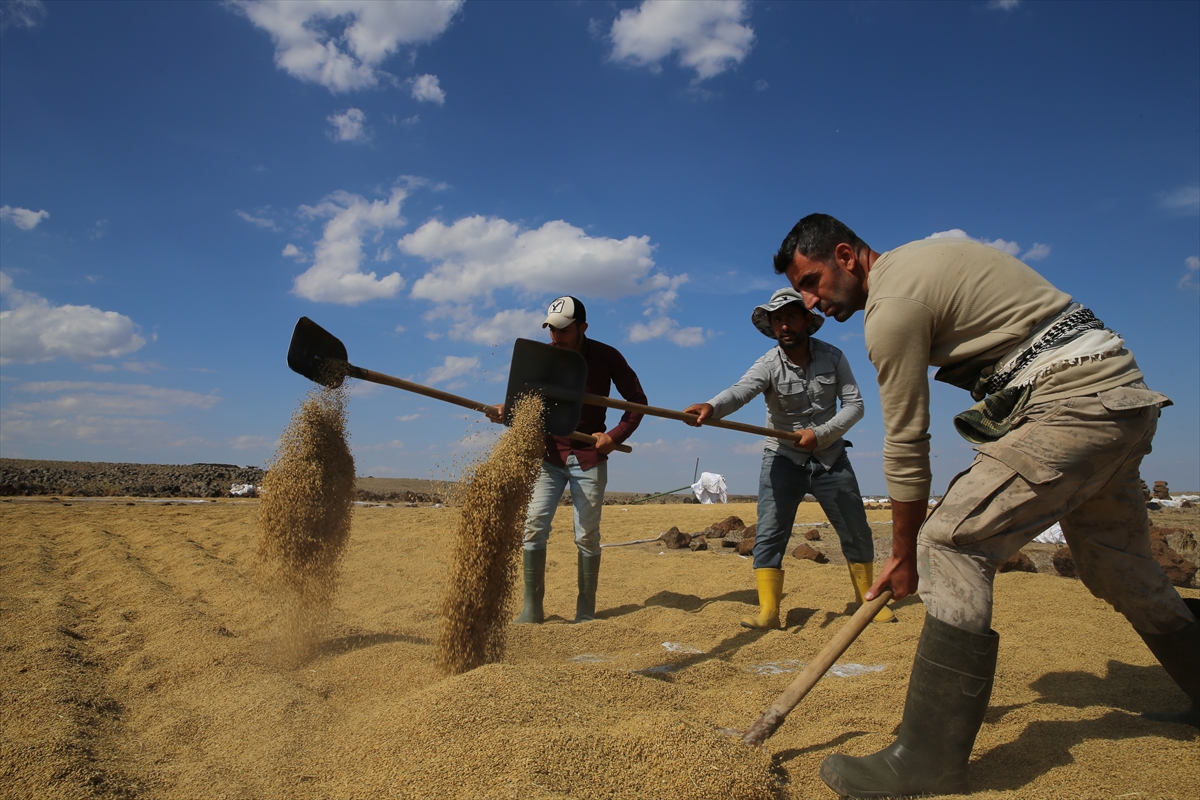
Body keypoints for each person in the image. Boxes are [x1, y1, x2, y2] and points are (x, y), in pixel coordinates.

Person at [773, 213, 1197, 798]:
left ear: (846, 256)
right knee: (1118, 568)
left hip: (1074, 404)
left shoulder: (891, 305)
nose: (810, 300)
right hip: (1120, 398)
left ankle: (925, 762)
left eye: (813, 281)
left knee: (948, 542)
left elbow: (906, 440)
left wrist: (903, 553)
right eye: (801, 290)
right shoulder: (924, 261)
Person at [682, 287, 893, 631]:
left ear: (807, 320)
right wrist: (712, 407)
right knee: (770, 533)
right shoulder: (768, 364)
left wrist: (821, 433)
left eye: (790, 316)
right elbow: (741, 391)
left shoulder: (834, 357)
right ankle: (768, 612)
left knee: (856, 530)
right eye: (777, 319)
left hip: (830, 458)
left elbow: (856, 406)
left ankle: (865, 601)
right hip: (781, 459)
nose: (784, 325)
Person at [492, 295, 646, 625]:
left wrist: (614, 436)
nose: (556, 337)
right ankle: (532, 609)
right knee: (534, 526)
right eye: (551, 330)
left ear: (582, 328)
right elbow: (525, 397)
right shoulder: (544, 356)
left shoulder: (607, 357)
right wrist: (509, 411)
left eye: (563, 330)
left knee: (586, 535)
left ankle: (585, 611)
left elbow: (637, 401)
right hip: (549, 454)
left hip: (590, 456)